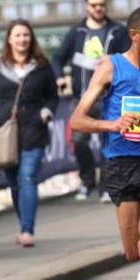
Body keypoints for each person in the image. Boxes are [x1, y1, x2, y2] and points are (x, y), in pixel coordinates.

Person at [70, 7, 140, 280]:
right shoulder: (113, 68)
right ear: (134, 35)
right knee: (133, 249)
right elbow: (77, 120)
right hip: (123, 163)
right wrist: (112, 125)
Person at [0, 19, 59, 247]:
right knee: (14, 182)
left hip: (34, 129)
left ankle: (27, 230)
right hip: (6, 130)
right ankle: (23, 222)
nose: (22, 39)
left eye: (26, 35)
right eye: (17, 35)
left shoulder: (42, 65)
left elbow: (53, 96)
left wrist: (45, 113)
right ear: (9, 39)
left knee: (28, 178)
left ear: (31, 38)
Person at [52, 0, 130, 202]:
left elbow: (131, 57)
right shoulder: (76, 31)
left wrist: (114, 58)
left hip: (109, 98)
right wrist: (59, 77)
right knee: (78, 141)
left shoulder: (118, 30)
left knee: (109, 140)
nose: (98, 8)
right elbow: (58, 57)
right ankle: (87, 181)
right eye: (93, 4)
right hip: (82, 96)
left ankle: (106, 186)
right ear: (86, 6)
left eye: (102, 4)